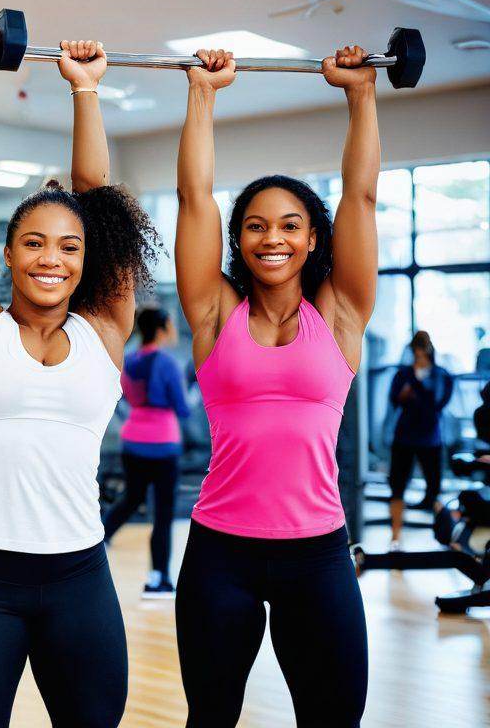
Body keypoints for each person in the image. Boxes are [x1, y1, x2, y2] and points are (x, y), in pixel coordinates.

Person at [0, 26, 158, 727]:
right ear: (8, 251)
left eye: (68, 246)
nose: (51, 258)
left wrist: (86, 89)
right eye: (34, 243)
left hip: (78, 579)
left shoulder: (106, 331)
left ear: (88, 258)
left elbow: (100, 202)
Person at [173, 45, 380, 726]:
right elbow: (193, 197)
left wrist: (360, 95)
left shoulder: (341, 314)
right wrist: (203, 93)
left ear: (314, 238)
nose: (273, 238)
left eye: (290, 225)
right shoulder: (214, 314)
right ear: (238, 240)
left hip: (318, 555)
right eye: (256, 226)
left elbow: (363, 195)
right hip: (219, 554)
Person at [101, 307, 191, 597]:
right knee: (163, 514)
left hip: (133, 441)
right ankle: (159, 580)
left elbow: (125, 395)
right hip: (163, 446)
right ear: (163, 328)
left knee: (133, 496)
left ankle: (101, 535)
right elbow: (182, 408)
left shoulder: (130, 359)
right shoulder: (166, 363)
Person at [387, 330, 454, 547]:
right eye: (415, 350)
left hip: (429, 436)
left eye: (421, 349)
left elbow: (439, 402)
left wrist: (420, 392)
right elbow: (394, 399)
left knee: (434, 489)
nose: (418, 354)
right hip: (405, 435)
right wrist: (404, 395)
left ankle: (444, 536)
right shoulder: (403, 374)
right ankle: (396, 536)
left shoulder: (440, 375)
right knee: (397, 486)